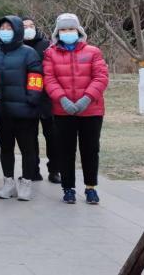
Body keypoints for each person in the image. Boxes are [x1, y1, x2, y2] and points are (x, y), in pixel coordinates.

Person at [43, 13, 109, 205]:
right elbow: (49, 79)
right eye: (63, 29)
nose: (67, 32)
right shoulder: (50, 53)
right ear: (57, 33)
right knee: (65, 150)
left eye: (71, 29)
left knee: (90, 150)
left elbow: (101, 77)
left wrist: (86, 99)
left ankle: (90, 188)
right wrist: (62, 99)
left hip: (91, 110)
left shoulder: (93, 51)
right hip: (63, 111)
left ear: (78, 30)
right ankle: (68, 188)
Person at [0, 16, 45, 201]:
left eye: (9, 28)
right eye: (2, 28)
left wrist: (31, 100)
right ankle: (8, 182)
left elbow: (36, 78)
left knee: (28, 149)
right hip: (2, 112)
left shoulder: (29, 53)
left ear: (17, 30)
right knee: (6, 149)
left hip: (25, 113)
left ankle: (26, 182)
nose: (5, 31)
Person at [22, 17, 60, 184]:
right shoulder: (17, 47)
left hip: (47, 98)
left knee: (52, 137)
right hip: (27, 98)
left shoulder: (46, 45)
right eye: (25, 26)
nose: (29, 28)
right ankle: (33, 170)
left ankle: (54, 170)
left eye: (32, 25)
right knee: (30, 137)